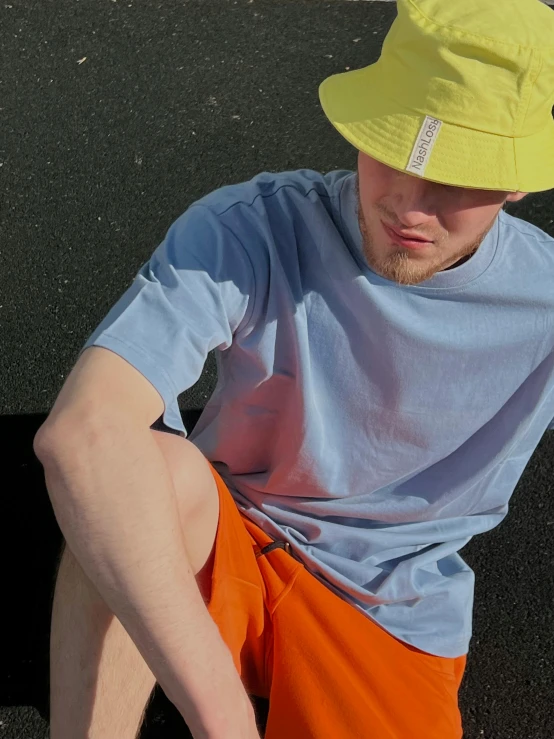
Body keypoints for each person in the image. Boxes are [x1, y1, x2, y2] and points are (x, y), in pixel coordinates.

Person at [34, 0, 554, 737]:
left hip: (386, 611)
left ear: (517, 183)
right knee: (137, 474)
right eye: (391, 148)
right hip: (233, 533)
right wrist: (220, 714)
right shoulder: (255, 227)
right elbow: (81, 433)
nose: (409, 202)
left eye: (456, 177)